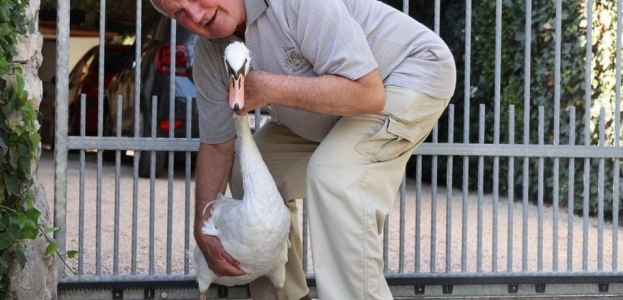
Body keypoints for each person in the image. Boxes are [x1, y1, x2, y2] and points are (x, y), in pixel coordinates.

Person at [150, 0, 456, 299]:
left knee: (334, 177)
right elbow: (217, 145)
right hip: (340, 105)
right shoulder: (210, 53)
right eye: (179, 12)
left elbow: (368, 94)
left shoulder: (297, 4)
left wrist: (271, 87)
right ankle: (286, 294)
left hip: (407, 74)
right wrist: (203, 229)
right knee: (252, 175)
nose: (195, 15)